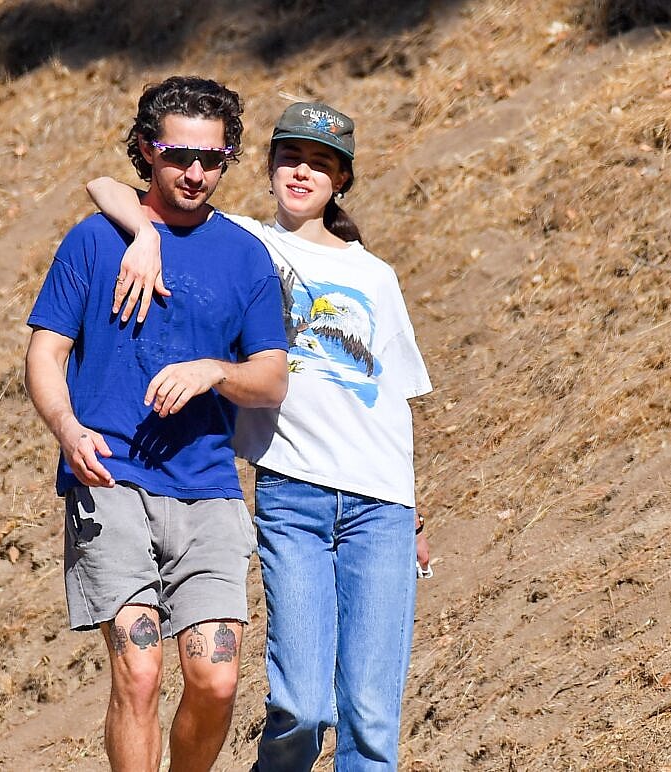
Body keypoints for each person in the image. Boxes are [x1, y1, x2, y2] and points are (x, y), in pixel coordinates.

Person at [88, 100, 433, 770]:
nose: (303, 173)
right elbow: (103, 187)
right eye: (291, 158)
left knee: (370, 721)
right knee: (302, 709)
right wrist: (149, 235)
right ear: (269, 166)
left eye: (322, 164)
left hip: (382, 505)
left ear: (342, 182)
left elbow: (396, 401)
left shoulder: (376, 276)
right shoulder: (244, 242)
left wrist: (416, 506)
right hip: (293, 495)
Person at [24, 76, 289, 772]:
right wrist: (67, 428)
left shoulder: (245, 255)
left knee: (216, 680)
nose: (196, 173)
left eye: (213, 158)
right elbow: (45, 354)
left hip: (207, 489)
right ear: (147, 150)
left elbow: (271, 378)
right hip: (110, 479)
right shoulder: (94, 241)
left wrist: (215, 371)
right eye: (178, 155)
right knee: (139, 673)